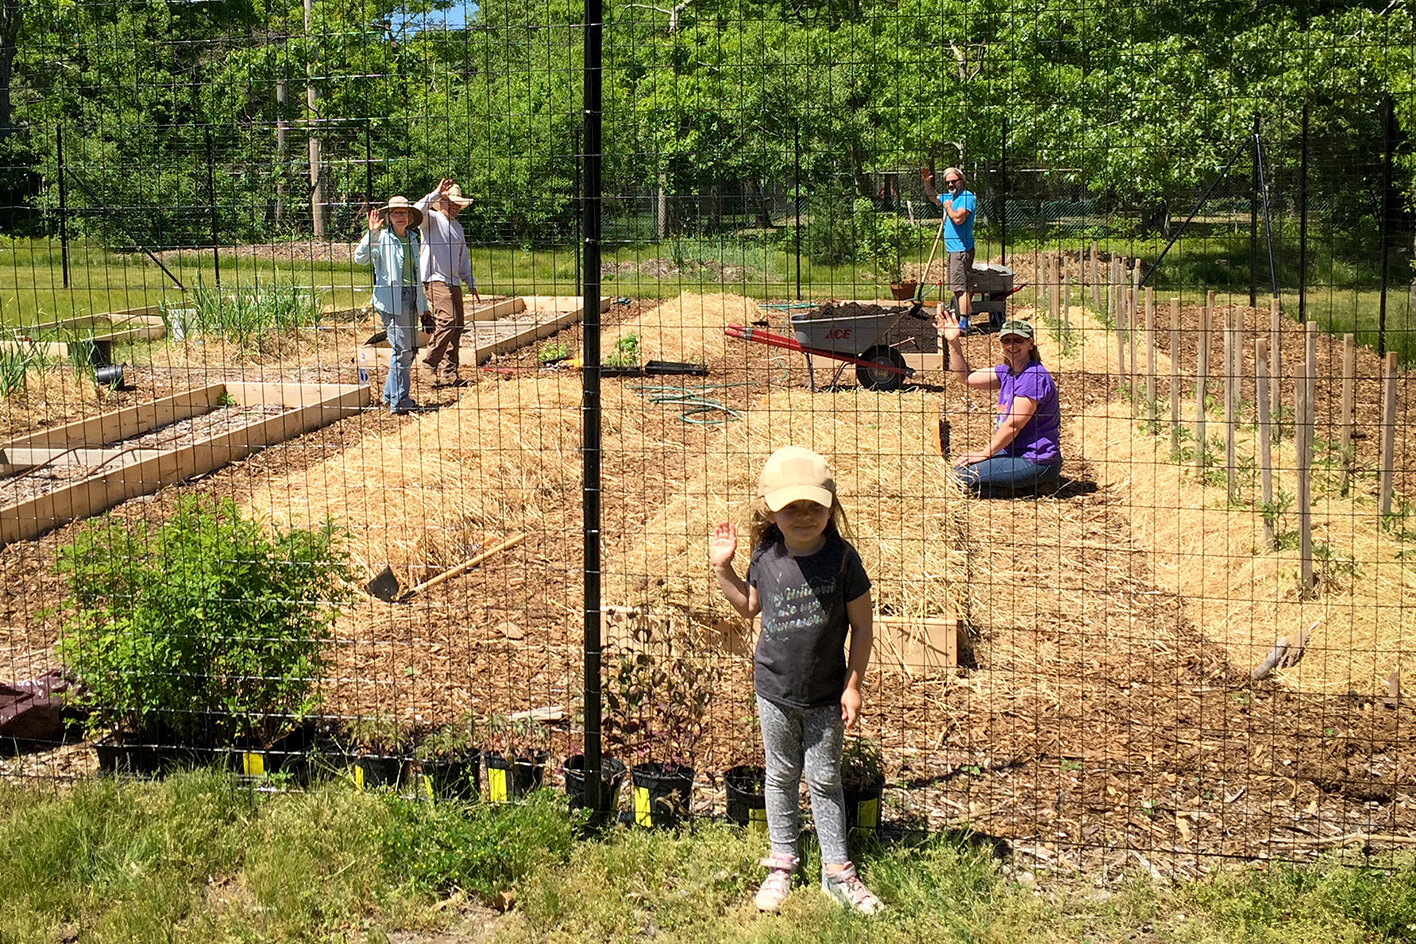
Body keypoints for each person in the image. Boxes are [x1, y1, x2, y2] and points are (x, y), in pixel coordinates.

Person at [709, 446, 883, 916]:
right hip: (775, 690)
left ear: (830, 506)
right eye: (791, 507)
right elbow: (749, 607)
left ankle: (837, 872)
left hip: (827, 694)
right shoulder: (766, 554)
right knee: (781, 774)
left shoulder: (844, 561)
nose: (803, 515)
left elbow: (863, 626)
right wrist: (723, 568)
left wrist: (853, 684)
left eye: (813, 506)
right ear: (770, 508)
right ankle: (782, 862)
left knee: (825, 779)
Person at [937, 308, 1062, 496]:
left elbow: (1013, 424)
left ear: (1031, 344)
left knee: (959, 477)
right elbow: (966, 378)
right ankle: (1027, 486)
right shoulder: (1007, 372)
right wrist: (954, 342)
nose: (1012, 345)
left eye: (1018, 340)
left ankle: (1031, 485)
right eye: (1006, 340)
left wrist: (985, 453)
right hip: (1012, 453)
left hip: (1034, 460)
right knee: (960, 466)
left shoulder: (1033, 376)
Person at [355, 195, 427, 415]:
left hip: (411, 296)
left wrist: (424, 309)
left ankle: (389, 395)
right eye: (396, 213)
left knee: (408, 350)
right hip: (391, 300)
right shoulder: (381, 238)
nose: (400, 217)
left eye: (403, 213)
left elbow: (417, 275)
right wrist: (371, 233)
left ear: (409, 216)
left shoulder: (413, 238)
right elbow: (361, 258)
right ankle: (399, 401)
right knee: (401, 350)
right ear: (388, 217)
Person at [415, 179, 480, 386]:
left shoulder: (457, 228)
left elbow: (463, 258)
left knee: (457, 325)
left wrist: (469, 281)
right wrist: (434, 193)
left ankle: (450, 371)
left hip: (452, 280)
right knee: (447, 320)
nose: (455, 207)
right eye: (450, 202)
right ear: (441, 201)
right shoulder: (431, 219)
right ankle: (429, 365)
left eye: (458, 204)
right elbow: (416, 211)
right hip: (434, 278)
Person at [921, 165, 976, 330]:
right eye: (947, 183)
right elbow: (933, 197)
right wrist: (926, 183)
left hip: (961, 249)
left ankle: (964, 323)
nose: (951, 185)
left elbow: (958, 218)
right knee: (957, 287)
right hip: (953, 250)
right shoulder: (949, 197)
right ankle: (962, 318)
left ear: (962, 181)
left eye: (954, 181)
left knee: (960, 288)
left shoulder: (967, 197)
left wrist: (947, 207)